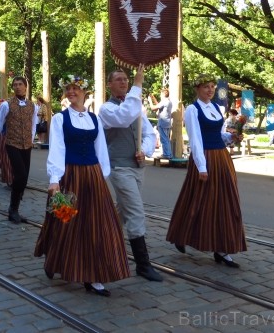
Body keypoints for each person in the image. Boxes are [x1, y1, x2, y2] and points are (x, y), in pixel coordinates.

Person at [34, 75, 130, 297]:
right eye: (68, 89)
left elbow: (101, 150)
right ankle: (54, 259)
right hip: (70, 175)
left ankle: (94, 276)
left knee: (97, 224)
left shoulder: (94, 119)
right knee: (65, 221)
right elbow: (57, 148)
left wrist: (101, 178)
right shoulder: (60, 119)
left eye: (75, 88)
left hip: (93, 176)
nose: (71, 92)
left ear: (84, 92)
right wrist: (54, 179)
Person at [166, 73, 247, 268]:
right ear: (197, 89)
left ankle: (223, 248)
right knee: (197, 199)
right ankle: (181, 234)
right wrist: (201, 166)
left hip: (222, 157)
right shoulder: (193, 110)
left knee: (225, 201)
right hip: (205, 157)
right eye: (205, 87)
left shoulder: (217, 108)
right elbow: (195, 139)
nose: (210, 90)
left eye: (212, 86)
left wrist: (231, 137)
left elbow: (217, 134)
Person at [99, 65, 162, 282]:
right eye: (118, 79)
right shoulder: (106, 109)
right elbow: (124, 118)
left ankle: (100, 240)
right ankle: (143, 265)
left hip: (137, 167)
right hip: (119, 167)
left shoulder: (135, 107)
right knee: (135, 212)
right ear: (109, 84)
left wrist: (143, 150)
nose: (124, 82)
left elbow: (149, 134)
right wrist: (138, 84)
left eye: (126, 79)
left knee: (123, 212)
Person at [0, 76, 38, 224]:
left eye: (20, 84)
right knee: (20, 175)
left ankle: (16, 204)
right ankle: (13, 209)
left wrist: (31, 138)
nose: (17, 87)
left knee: (24, 178)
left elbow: (33, 124)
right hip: (12, 143)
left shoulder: (32, 106)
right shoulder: (6, 105)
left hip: (27, 145)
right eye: (15, 85)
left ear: (25, 86)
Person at [149, 88, 173, 159]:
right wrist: (153, 98)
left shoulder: (164, 101)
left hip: (163, 122)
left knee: (164, 139)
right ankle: (169, 153)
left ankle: (166, 154)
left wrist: (150, 101)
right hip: (167, 122)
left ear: (163, 94)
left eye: (160, 94)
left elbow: (153, 108)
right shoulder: (168, 101)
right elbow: (158, 105)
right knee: (166, 139)